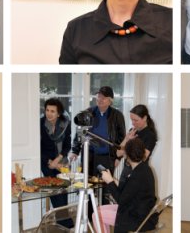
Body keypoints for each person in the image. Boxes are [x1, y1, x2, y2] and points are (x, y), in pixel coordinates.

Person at [95, 138, 158, 233]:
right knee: (98, 209)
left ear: (127, 155)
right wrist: (112, 179)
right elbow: (129, 190)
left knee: (96, 215)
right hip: (138, 211)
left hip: (136, 217)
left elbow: (120, 200)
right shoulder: (144, 169)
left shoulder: (137, 175)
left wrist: (110, 182)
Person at [70, 86, 126, 176]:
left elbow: (122, 138)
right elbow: (80, 132)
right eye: (99, 96)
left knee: (105, 182)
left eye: (103, 98)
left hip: (107, 157)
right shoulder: (89, 112)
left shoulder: (117, 115)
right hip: (89, 155)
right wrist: (75, 151)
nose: (100, 99)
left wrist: (118, 158)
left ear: (110, 101)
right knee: (87, 181)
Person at [40, 98, 73, 228]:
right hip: (46, 162)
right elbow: (39, 148)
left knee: (63, 191)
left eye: (52, 111)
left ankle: (62, 220)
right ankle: (65, 222)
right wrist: (51, 162)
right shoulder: (40, 124)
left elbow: (67, 145)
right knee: (54, 190)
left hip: (61, 161)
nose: (49, 113)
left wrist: (57, 161)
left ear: (58, 114)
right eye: (47, 110)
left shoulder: (65, 124)